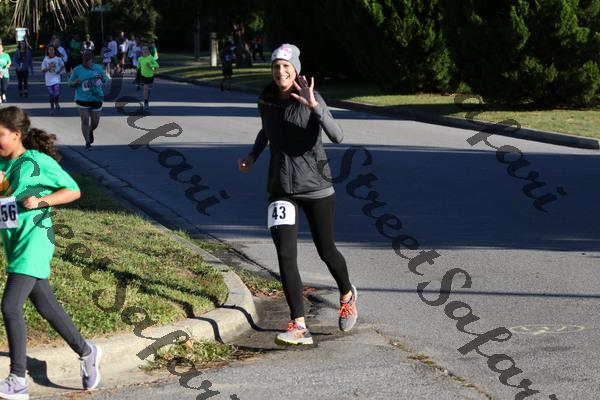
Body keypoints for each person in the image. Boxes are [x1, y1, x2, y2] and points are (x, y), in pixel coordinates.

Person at [237, 44, 358, 346]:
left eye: (286, 67)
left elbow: (337, 135)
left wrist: (314, 105)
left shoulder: (310, 97)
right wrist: (253, 155)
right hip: (280, 188)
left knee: (326, 250)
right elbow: (266, 131)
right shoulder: (266, 99)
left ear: (296, 70)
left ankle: (346, 294)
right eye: (276, 66)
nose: (281, 72)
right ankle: (298, 325)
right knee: (285, 255)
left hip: (316, 187)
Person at [0, 106, 102, 399]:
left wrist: (41, 201)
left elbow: (73, 190)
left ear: (16, 134)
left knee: (10, 306)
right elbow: (5, 202)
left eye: (0, 135)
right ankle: (87, 351)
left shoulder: (37, 161)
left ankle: (17, 379)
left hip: (35, 241)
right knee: (46, 307)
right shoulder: (2, 164)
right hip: (14, 241)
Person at [68, 50, 110, 150]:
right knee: (85, 120)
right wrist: (76, 81)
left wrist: (102, 78)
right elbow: (69, 84)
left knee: (95, 123)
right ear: (82, 57)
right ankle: (87, 142)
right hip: (82, 98)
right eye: (85, 55)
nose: (87, 57)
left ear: (92, 57)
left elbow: (106, 80)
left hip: (96, 98)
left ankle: (90, 131)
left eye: (89, 55)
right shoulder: (77, 70)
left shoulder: (98, 68)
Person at [41, 45, 65, 115]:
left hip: (56, 79)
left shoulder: (58, 59)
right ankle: (52, 107)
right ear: (48, 51)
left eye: (52, 49)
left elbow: (63, 65)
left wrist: (59, 71)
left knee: (57, 93)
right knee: (51, 95)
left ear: (54, 51)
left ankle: (56, 102)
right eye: (50, 50)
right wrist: (48, 68)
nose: (51, 51)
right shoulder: (45, 59)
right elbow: (42, 70)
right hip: (48, 80)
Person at [137, 45, 159, 111]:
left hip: (150, 76)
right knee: (145, 88)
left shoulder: (151, 58)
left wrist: (151, 65)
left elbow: (157, 65)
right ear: (142, 51)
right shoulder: (140, 58)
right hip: (143, 76)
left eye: (146, 49)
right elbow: (138, 66)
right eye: (143, 49)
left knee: (149, 90)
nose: (145, 51)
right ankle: (146, 102)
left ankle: (147, 98)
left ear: (148, 51)